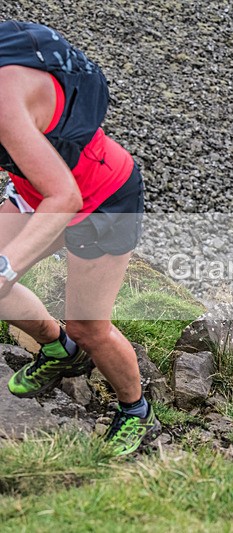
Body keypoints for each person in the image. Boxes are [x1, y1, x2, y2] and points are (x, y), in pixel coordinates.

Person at [0, 21, 159, 455]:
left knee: (89, 326)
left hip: (103, 198)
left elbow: (65, 196)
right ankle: (58, 349)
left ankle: (135, 409)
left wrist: (6, 266)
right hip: (34, 188)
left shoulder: (3, 97)